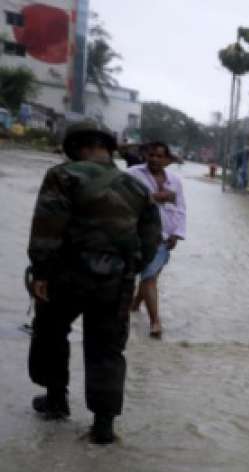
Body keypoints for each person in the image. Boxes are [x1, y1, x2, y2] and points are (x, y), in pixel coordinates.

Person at [27, 120, 161, 445]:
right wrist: (127, 268)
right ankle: (103, 427)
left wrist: (41, 271)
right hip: (115, 281)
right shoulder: (138, 188)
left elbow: (47, 224)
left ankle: (56, 402)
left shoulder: (62, 175)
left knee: (50, 334)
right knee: (107, 349)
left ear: (74, 146)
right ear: (109, 147)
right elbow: (152, 239)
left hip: (65, 275)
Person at [127, 141, 186, 338]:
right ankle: (155, 321)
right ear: (145, 155)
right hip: (140, 234)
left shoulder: (175, 181)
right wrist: (154, 197)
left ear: (167, 159)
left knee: (151, 276)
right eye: (151, 155)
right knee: (149, 277)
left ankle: (135, 304)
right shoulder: (133, 174)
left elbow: (180, 208)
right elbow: (124, 199)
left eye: (160, 156)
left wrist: (177, 233)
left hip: (165, 237)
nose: (155, 159)